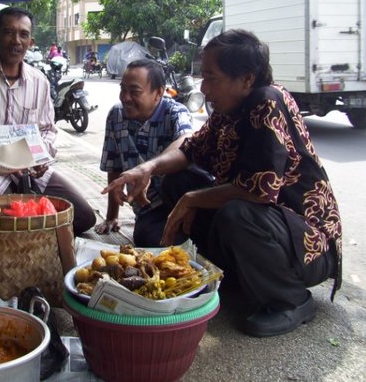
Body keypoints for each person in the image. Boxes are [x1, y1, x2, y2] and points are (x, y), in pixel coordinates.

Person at [103, 29, 342, 337]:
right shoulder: (228, 111)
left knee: (236, 213)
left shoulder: (267, 102)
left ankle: (290, 300)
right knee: (177, 179)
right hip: (268, 228)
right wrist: (148, 168)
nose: (204, 87)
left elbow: (257, 191)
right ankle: (237, 275)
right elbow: (190, 150)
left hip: (307, 247)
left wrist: (191, 200)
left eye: (212, 77)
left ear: (245, 78)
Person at [0, 7, 96, 236]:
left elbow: (48, 130)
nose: (16, 41)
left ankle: (31, 236)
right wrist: (8, 160)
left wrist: (41, 156)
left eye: (23, 34)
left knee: (83, 217)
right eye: (9, 32)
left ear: (31, 41)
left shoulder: (39, 81)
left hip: (32, 170)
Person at [96, 59, 195, 246]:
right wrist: (111, 216)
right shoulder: (116, 115)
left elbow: (185, 141)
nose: (125, 97)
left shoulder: (175, 113)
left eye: (134, 91)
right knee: (147, 239)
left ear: (158, 93)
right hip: (148, 208)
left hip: (179, 200)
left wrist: (148, 168)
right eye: (122, 89)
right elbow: (114, 165)